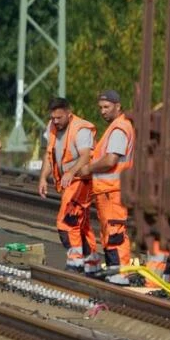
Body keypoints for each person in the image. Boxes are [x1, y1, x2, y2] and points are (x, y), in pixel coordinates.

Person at [78, 89, 135, 285]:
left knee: (115, 232)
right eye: (101, 108)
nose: (103, 111)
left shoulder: (119, 128)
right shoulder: (116, 127)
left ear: (118, 106)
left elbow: (111, 160)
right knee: (109, 233)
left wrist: (88, 169)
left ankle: (120, 274)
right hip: (108, 190)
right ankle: (115, 273)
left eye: (106, 107)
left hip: (114, 190)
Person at [37, 97, 98, 272]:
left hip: (81, 181)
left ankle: (75, 262)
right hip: (68, 182)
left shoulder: (81, 129)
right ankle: (91, 262)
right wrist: (43, 178)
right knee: (81, 223)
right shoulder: (51, 128)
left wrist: (71, 172)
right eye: (53, 118)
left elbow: (86, 155)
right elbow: (49, 155)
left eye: (59, 118)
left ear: (68, 114)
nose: (55, 121)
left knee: (67, 221)